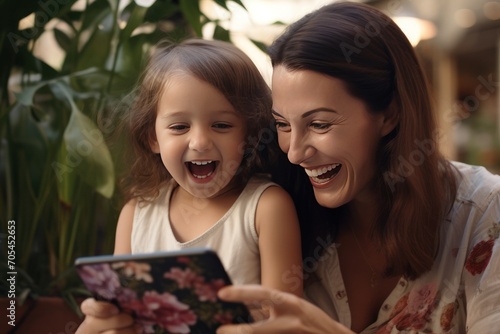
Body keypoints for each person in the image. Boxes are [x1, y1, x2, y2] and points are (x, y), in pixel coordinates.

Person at [215, 1, 500, 334]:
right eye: (282, 124)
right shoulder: (270, 211)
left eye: (319, 124)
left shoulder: (484, 213)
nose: (294, 153)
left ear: (390, 114)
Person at [75, 38, 302, 333]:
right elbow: (119, 315)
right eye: (179, 126)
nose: (200, 142)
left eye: (221, 125)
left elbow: (288, 323)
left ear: (251, 134)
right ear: (152, 138)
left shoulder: (266, 208)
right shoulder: (136, 214)